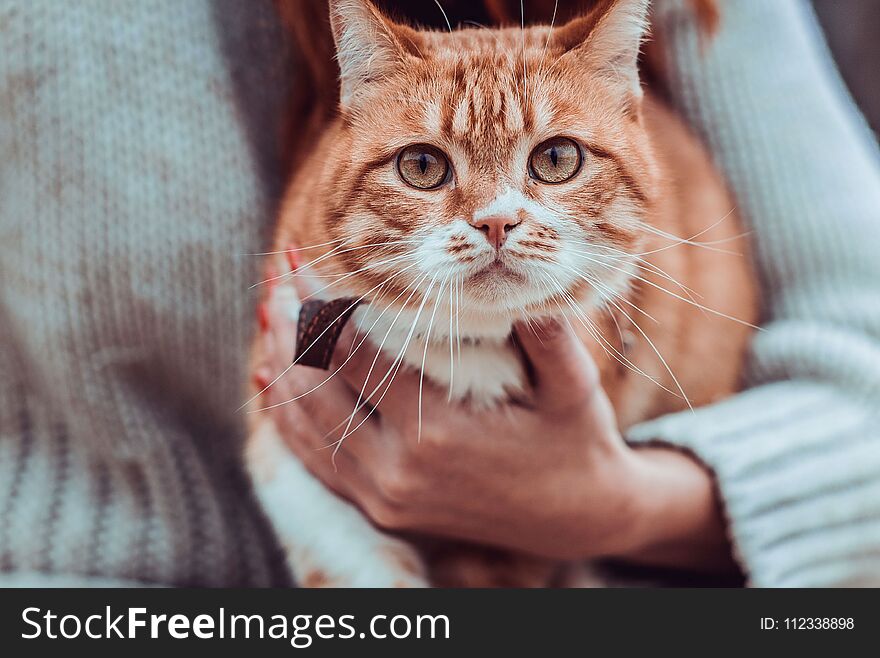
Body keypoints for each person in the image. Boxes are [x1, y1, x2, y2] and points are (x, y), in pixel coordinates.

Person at [0, 0, 877, 587]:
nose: (495, 220)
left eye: (555, 160)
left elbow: (864, 398)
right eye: (426, 165)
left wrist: (620, 505)